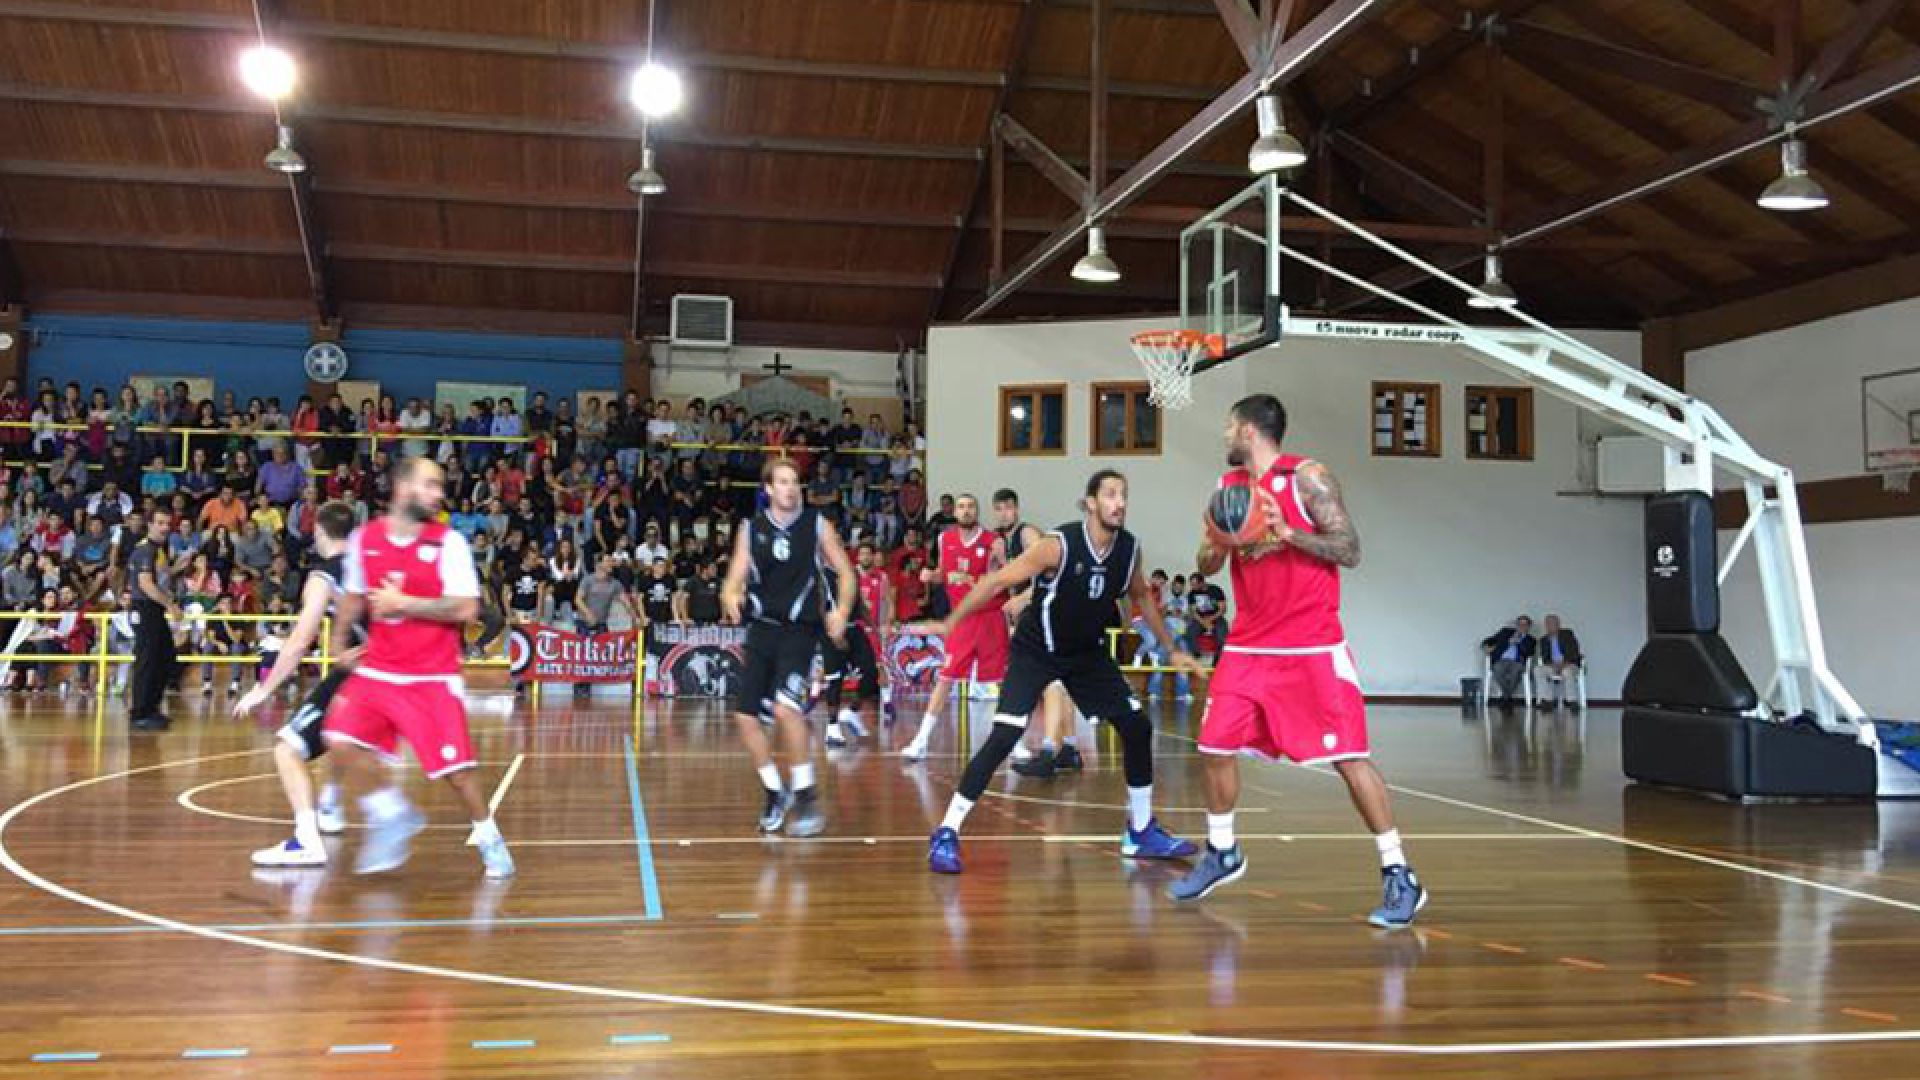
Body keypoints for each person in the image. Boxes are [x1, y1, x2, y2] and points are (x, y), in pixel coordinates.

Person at [1168, 394, 1427, 929]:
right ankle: (1222, 851)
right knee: (1214, 745)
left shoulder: (1307, 478)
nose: (1224, 436)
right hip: (1248, 645)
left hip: (1310, 645)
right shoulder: (1227, 488)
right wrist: (1219, 543)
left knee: (1349, 758)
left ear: (1248, 430)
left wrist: (1287, 534)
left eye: (1229, 427)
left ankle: (1399, 872)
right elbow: (1205, 563)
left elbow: (1350, 549)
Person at [917, 469, 1198, 874]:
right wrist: (951, 621)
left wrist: (1172, 649)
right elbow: (995, 581)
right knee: (1004, 735)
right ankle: (946, 831)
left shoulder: (1128, 550)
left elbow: (1141, 596)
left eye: (1124, 495)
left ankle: (1140, 830)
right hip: (1037, 650)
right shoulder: (1058, 546)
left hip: (1085, 653)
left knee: (1137, 727)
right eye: (1110, 495)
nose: (1120, 502)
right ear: (1091, 503)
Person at [322, 456, 514, 878]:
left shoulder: (450, 544)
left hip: (432, 674)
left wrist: (404, 603)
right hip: (380, 667)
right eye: (430, 484)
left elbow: (466, 609)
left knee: (457, 774)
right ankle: (392, 812)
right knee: (338, 737)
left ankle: (489, 838)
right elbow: (352, 596)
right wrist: (338, 642)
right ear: (402, 487)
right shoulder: (365, 539)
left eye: (440, 486)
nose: (439, 494)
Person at [234, 500, 395, 868]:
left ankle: (307, 841)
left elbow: (300, 640)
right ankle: (331, 805)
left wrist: (263, 690)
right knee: (338, 736)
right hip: (397, 673)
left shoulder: (324, 575)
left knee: (287, 749)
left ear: (319, 531)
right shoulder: (372, 564)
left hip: (364, 674)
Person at [720, 458, 857, 838]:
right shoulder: (751, 529)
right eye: (782, 482)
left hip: (800, 631)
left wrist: (842, 610)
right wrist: (730, 596)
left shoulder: (816, 524)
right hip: (762, 629)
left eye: (794, 481)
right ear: (768, 489)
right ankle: (773, 791)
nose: (790, 488)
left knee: (786, 708)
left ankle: (806, 795)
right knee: (745, 716)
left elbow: (846, 572)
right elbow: (733, 579)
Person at [901, 494, 1009, 762]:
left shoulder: (993, 541)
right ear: (955, 513)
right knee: (946, 678)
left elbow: (1006, 578)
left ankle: (1013, 742)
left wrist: (972, 580)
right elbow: (943, 572)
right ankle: (921, 740)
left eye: (971, 506)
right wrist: (932, 576)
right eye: (961, 507)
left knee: (1002, 682)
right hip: (962, 619)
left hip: (990, 616)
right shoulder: (944, 539)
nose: (966, 511)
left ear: (977, 511)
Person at [990, 488, 1078, 779]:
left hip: (1050, 610)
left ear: (1016, 509)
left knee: (1049, 681)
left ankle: (1050, 751)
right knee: (1058, 682)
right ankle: (1069, 748)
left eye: (1008, 508)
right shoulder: (1004, 542)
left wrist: (1023, 598)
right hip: (1038, 612)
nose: (1004, 513)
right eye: (999, 508)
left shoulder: (1027, 534)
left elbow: (1052, 571)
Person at [819, 542, 883, 749]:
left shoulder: (851, 573)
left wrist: (874, 626)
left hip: (855, 629)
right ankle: (832, 727)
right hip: (831, 631)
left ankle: (853, 712)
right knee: (835, 679)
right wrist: (833, 634)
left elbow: (860, 603)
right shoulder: (821, 576)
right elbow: (819, 609)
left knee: (871, 672)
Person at [127, 508, 182, 732]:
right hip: (145, 607)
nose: (164, 528)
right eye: (160, 523)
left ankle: (151, 707)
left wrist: (176, 569)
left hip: (154, 608)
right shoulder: (145, 550)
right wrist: (170, 604)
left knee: (164, 656)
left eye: (167, 523)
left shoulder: (158, 550)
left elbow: (161, 577)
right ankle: (140, 712)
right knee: (147, 660)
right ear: (149, 524)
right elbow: (146, 584)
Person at [1481, 615, 1536, 707]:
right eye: (1519, 624)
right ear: (1516, 625)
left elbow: (1529, 652)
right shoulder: (1505, 632)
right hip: (1501, 660)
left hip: (1517, 662)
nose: (1521, 627)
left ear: (1528, 627)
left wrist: (1519, 642)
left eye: (1524, 625)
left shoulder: (1531, 640)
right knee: (1497, 669)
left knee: (1516, 672)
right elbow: (1489, 640)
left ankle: (1505, 696)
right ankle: (1508, 696)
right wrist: (1485, 646)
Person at [1533, 613, 1583, 709]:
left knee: (1567, 672)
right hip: (1553, 665)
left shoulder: (1567, 634)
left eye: (1552, 623)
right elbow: (1545, 658)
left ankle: (1571, 700)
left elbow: (1574, 652)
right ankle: (1547, 700)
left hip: (1569, 664)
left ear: (1558, 624)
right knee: (1538, 670)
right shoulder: (1544, 640)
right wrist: (1553, 665)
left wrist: (1563, 664)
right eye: (1547, 624)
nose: (1549, 626)